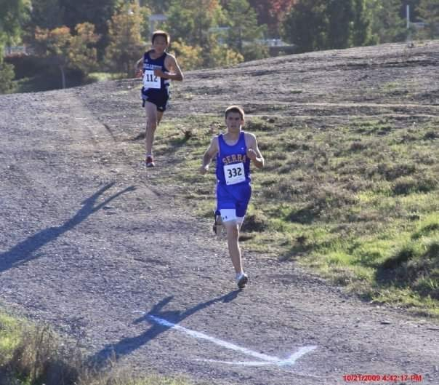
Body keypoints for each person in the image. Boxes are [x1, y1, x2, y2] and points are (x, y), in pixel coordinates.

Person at [199, 106, 265, 289]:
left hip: (243, 191)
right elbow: (208, 155)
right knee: (233, 232)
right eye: (231, 119)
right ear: (225, 121)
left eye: (237, 119)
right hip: (225, 191)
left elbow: (262, 164)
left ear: (242, 121)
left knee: (232, 230)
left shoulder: (249, 139)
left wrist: (254, 159)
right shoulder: (218, 141)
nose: (234, 122)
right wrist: (205, 166)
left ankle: (219, 217)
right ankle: (239, 274)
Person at [135, 30, 184, 167]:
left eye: (162, 43)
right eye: (157, 42)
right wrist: (139, 71)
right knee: (151, 122)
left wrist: (164, 74)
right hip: (148, 93)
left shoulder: (169, 59)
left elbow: (180, 77)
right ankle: (149, 156)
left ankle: (149, 137)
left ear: (167, 44)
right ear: (152, 43)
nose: (159, 45)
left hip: (162, 95)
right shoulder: (147, 55)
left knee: (154, 125)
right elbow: (139, 64)